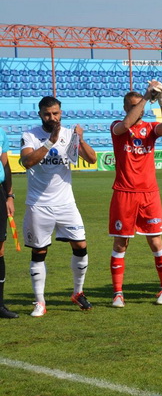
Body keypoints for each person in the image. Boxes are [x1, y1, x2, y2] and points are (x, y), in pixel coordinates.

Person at [19, 96, 97, 317]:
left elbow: (91, 159)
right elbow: (27, 161)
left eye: (55, 113)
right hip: (39, 205)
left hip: (66, 204)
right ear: (40, 114)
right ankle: (40, 302)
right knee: (39, 251)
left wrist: (79, 140)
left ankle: (77, 292)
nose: (51, 118)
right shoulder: (30, 135)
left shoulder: (69, 134)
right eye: (47, 114)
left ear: (60, 113)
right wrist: (50, 141)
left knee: (81, 246)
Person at [109, 80, 162, 306]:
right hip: (124, 192)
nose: (139, 110)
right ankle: (118, 293)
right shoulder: (117, 126)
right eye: (134, 106)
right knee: (120, 244)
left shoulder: (150, 128)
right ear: (126, 108)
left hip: (148, 193)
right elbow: (126, 124)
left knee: (155, 241)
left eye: (141, 106)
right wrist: (146, 97)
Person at [0, 126, 17, 319]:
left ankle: (0, 305)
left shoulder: (1, 133)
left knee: (0, 249)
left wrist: (9, 195)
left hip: (0, 192)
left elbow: (4, 165)